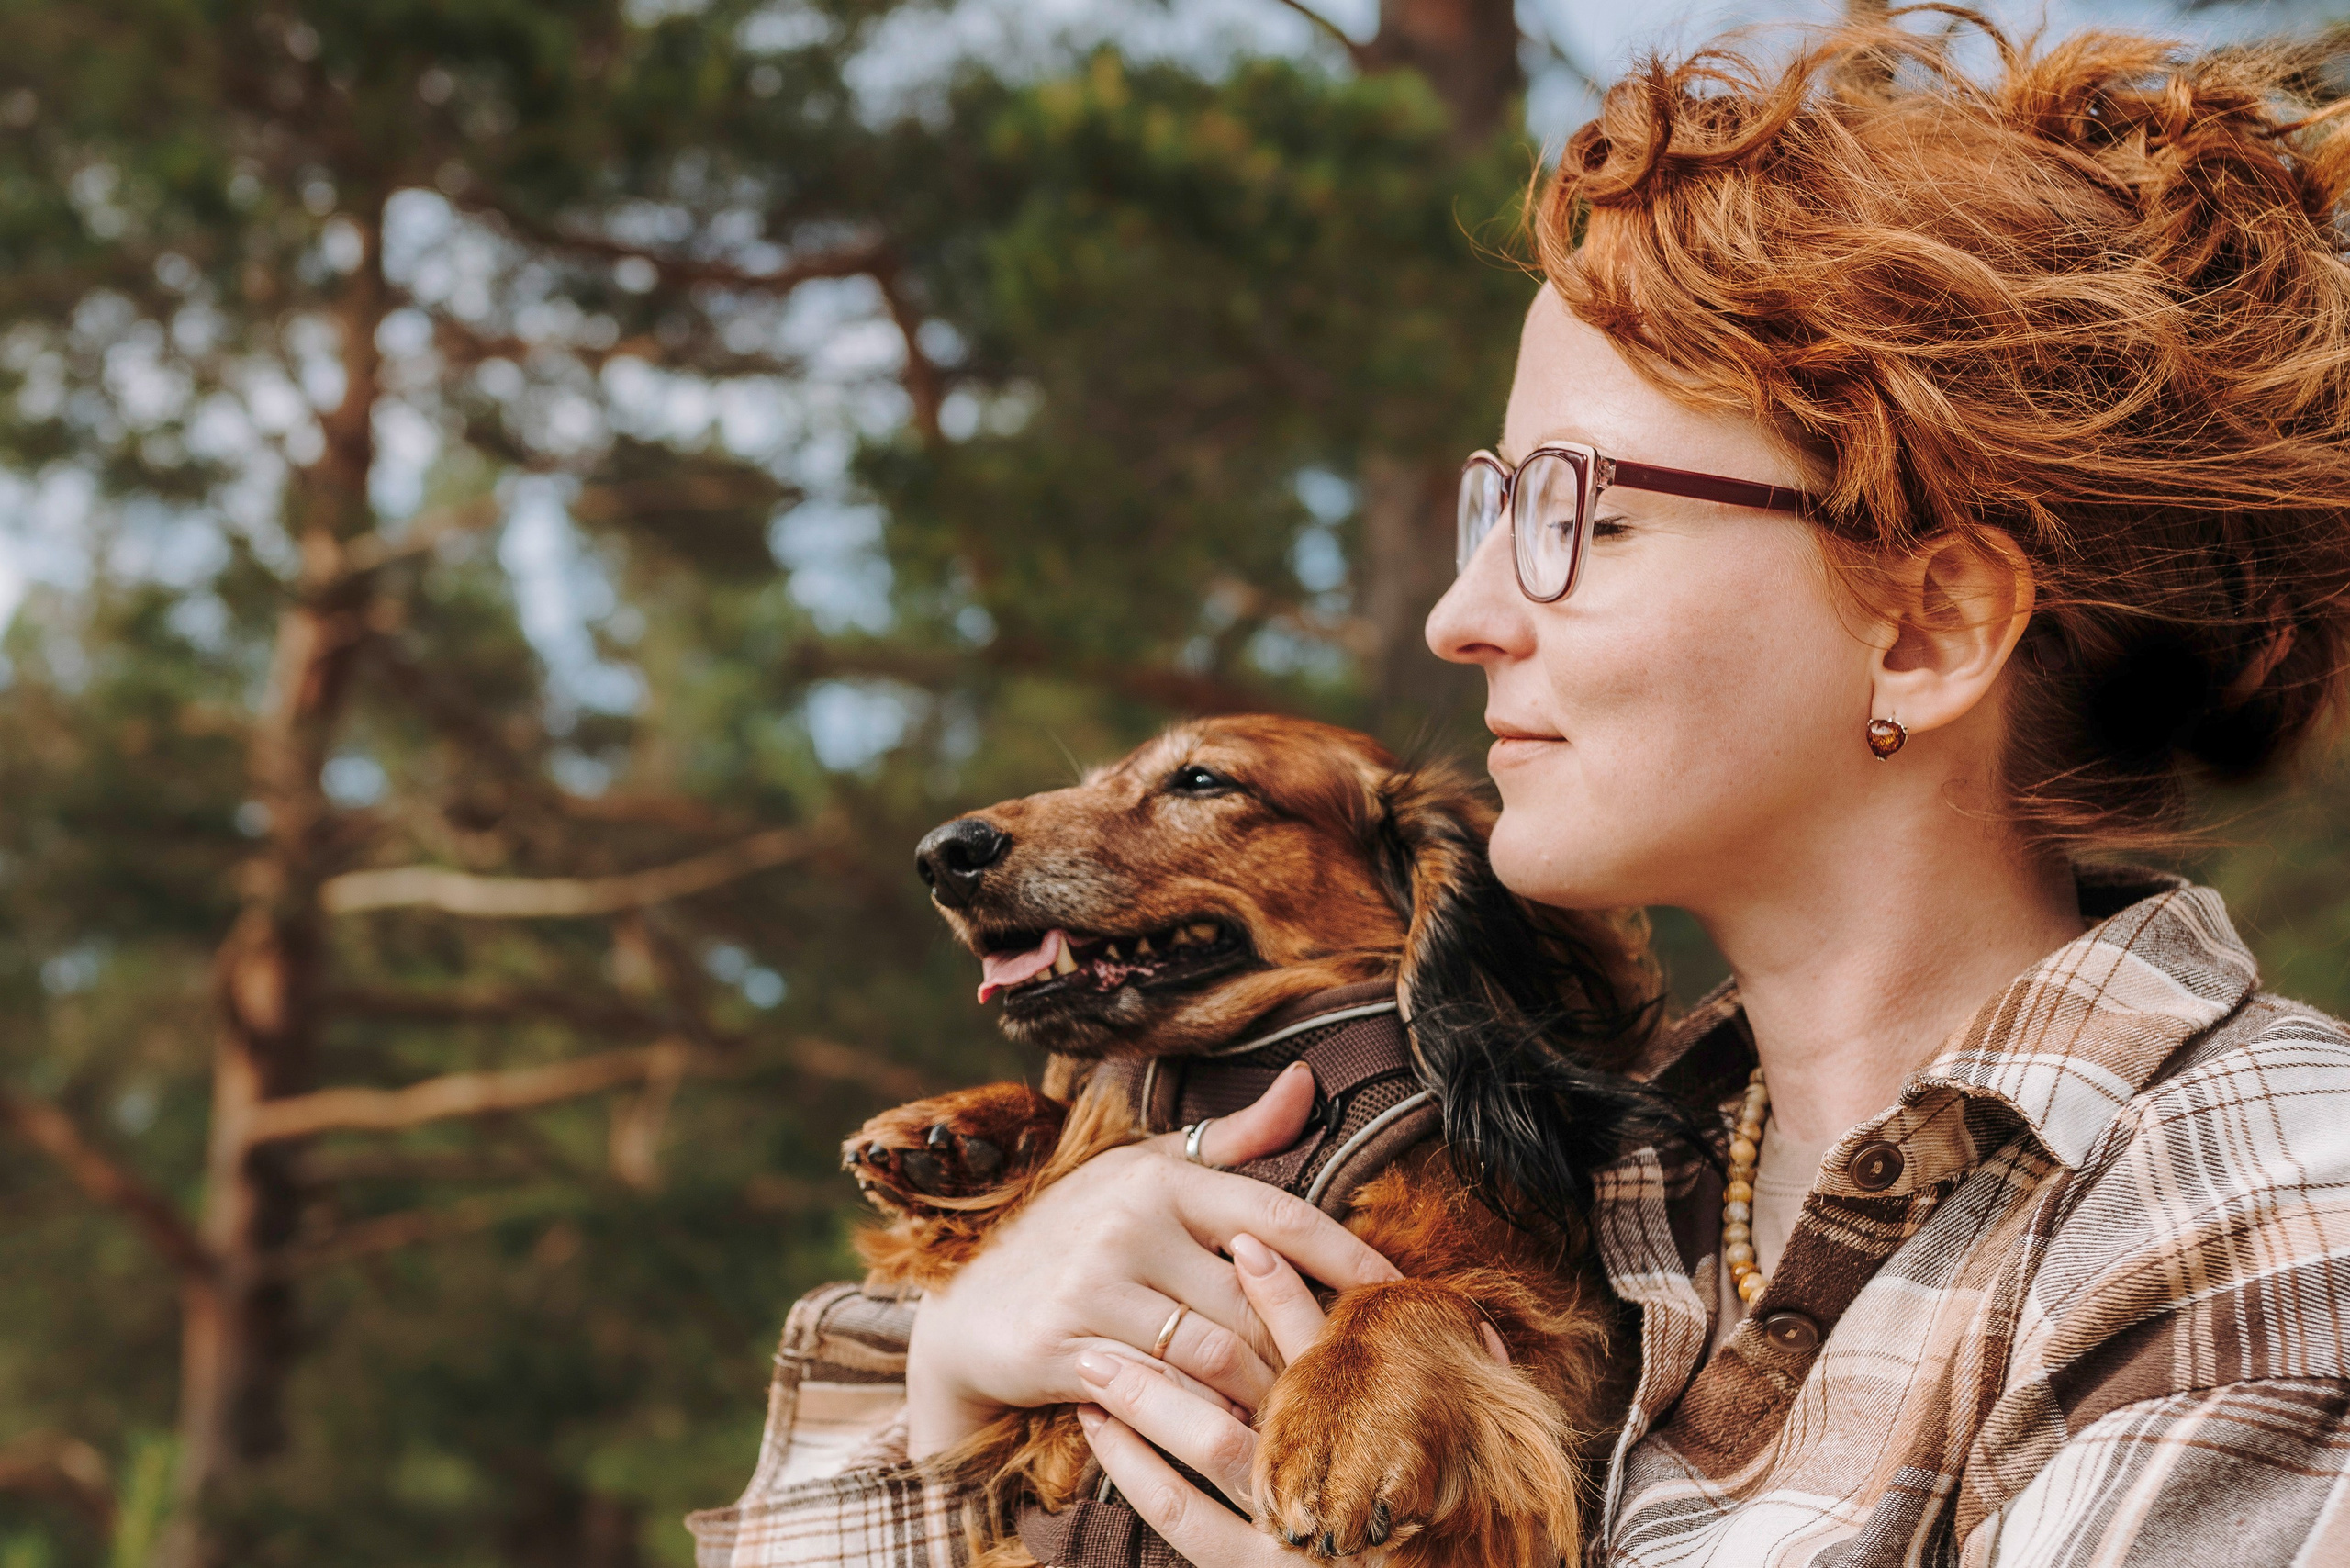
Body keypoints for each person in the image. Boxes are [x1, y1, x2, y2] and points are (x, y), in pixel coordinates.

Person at [687, 15, 2350, 1566]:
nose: (1463, 612)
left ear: (1926, 627)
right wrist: (953, 1396)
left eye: (1581, 518)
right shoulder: (1589, 1179)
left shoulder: (2261, 1217)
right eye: (1494, 506)